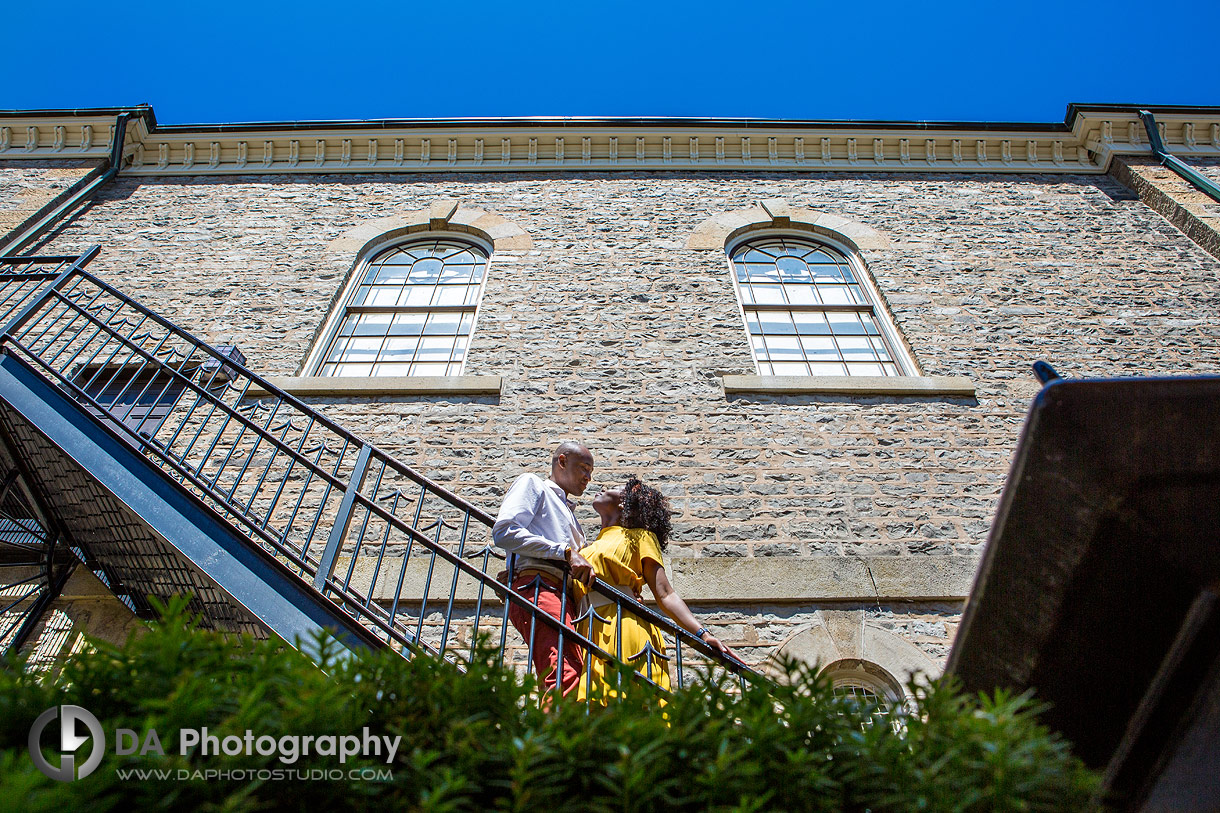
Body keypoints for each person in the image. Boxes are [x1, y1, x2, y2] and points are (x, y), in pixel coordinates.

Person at [578, 475, 738, 699]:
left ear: (625, 502)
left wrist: (703, 634)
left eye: (612, 487)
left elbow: (665, 593)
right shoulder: (588, 546)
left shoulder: (640, 537)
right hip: (587, 627)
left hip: (622, 625)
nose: (602, 488)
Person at [492, 441, 595, 702]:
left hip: (559, 595)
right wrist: (566, 553)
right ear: (561, 461)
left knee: (567, 673)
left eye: (590, 472)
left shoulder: (571, 516)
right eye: (583, 468)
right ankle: (555, 740)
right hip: (541, 587)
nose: (588, 477)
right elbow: (505, 531)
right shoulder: (533, 484)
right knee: (563, 676)